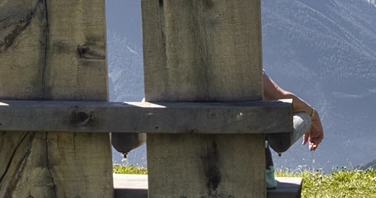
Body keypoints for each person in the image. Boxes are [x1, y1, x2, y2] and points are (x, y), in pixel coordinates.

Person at [111, 71, 324, 188]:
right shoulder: (241, 62)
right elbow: (282, 99)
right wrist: (312, 115)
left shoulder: (167, 71)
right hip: (248, 180)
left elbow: (147, 111)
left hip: (173, 180)